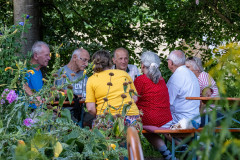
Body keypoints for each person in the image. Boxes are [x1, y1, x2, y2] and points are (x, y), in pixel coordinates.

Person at [134, 51, 174, 160]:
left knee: (140, 126)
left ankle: (167, 155)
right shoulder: (161, 80)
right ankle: (185, 149)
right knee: (160, 130)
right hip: (166, 118)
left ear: (142, 65)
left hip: (149, 118)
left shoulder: (140, 80)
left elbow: (134, 100)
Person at [85, 50, 140, 127]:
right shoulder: (124, 74)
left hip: (106, 118)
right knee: (129, 137)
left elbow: (90, 108)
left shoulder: (91, 79)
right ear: (110, 61)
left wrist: (99, 115)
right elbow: (135, 97)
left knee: (99, 136)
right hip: (132, 117)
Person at [56, 48, 94, 127]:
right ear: (74, 57)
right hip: (65, 113)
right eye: (84, 60)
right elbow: (59, 94)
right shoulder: (62, 73)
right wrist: (78, 96)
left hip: (81, 112)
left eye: (88, 61)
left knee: (97, 121)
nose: (86, 64)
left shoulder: (84, 75)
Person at [166, 50, 201, 125]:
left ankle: (171, 137)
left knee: (149, 123)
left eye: (168, 60)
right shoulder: (191, 74)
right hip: (196, 120)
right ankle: (172, 137)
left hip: (181, 120)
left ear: (171, 63)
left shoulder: (176, 77)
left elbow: (166, 102)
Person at [185, 56, 221, 126]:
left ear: (197, 68)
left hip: (213, 115)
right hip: (209, 114)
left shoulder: (203, 76)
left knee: (187, 126)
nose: (185, 70)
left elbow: (206, 99)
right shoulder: (195, 79)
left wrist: (198, 116)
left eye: (188, 67)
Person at [24, 41, 51, 109]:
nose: (49, 58)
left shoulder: (38, 71)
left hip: (40, 112)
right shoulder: (26, 69)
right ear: (36, 56)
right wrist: (34, 97)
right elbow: (22, 84)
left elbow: (41, 98)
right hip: (29, 114)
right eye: (46, 55)